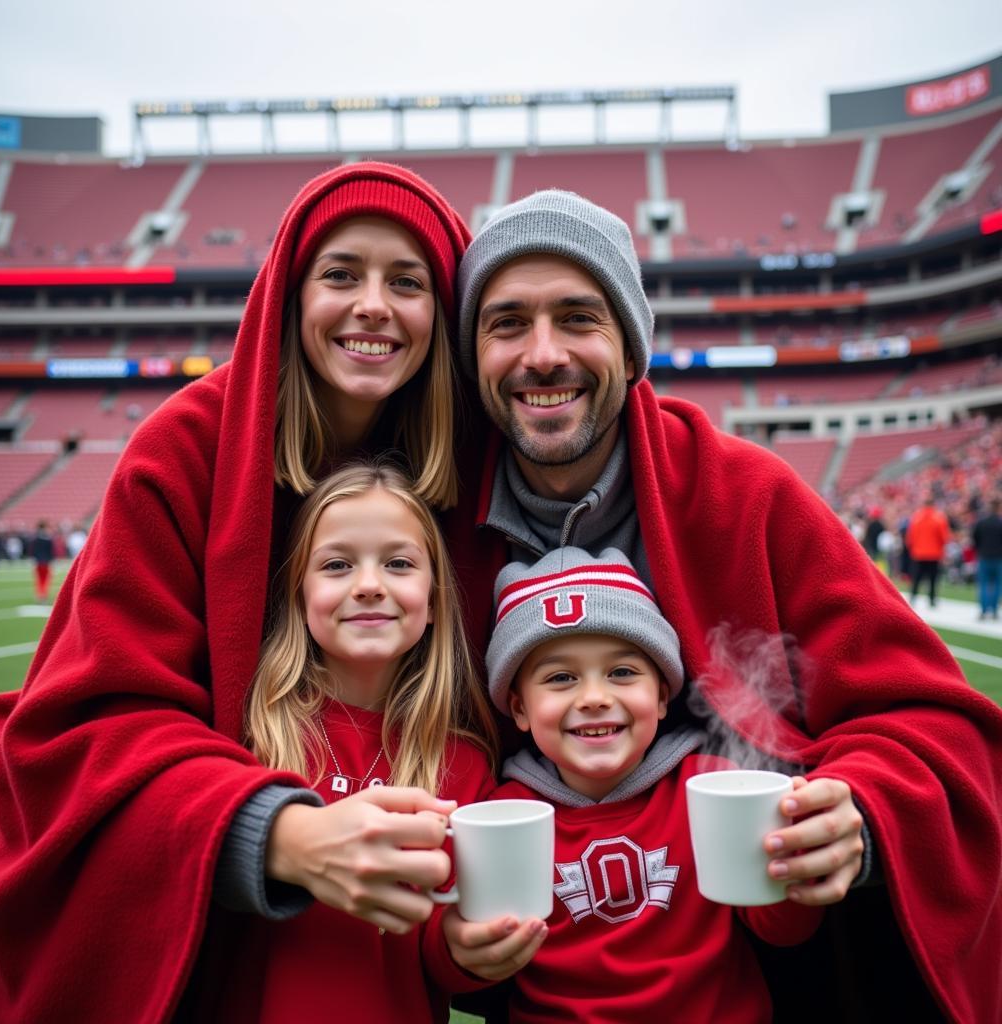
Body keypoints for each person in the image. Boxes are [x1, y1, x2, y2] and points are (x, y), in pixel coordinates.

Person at [440, 190, 1002, 1022]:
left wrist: (860, 809)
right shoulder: (431, 521)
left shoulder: (750, 493)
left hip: (769, 975)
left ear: (632, 350)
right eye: (507, 323)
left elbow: (937, 721)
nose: (544, 354)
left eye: (579, 318)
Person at [0, 162, 478, 1023]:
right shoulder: (181, 448)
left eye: (408, 280)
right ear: (287, 293)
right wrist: (280, 833)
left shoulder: (476, 464)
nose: (373, 304)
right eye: (340, 274)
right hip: (219, 955)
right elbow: (87, 728)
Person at [439, 547, 826, 1023]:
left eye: (622, 672)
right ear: (518, 708)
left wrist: (796, 871)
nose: (596, 698)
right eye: (561, 678)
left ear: (662, 695)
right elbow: (476, 971)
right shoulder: (503, 816)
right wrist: (464, 950)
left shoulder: (712, 787)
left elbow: (781, 931)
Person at [217, 461, 496, 1022]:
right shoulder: (245, 735)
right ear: (298, 595)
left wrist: (470, 953)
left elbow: (440, 954)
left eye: (397, 563)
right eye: (338, 565)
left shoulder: (464, 766)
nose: (369, 585)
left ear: (437, 599)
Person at [906, 492, 951, 607]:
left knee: (916, 578)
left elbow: (910, 537)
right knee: (933, 579)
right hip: (934, 554)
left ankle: (913, 597)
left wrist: (914, 548)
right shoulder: (939, 518)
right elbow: (944, 538)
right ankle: (931, 599)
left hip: (918, 553)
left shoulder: (916, 517)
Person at [973, 497, 1002, 620]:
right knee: (997, 584)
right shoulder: (1000, 523)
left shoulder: (981, 522)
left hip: (984, 556)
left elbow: (975, 538)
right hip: (998, 558)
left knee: (984, 584)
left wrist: (980, 549)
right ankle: (994, 609)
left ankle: (984, 610)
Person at [30, 519, 54, 601]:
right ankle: (43, 594)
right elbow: (51, 551)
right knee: (45, 579)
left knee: (39, 579)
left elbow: (33, 551)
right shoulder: (48, 538)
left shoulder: (35, 538)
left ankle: (39, 594)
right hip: (46, 562)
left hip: (38, 562)